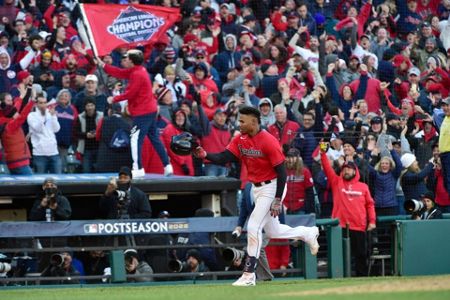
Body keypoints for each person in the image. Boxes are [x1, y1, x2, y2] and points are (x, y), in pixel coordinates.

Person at [194, 106, 319, 286]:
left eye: (243, 121)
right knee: (273, 231)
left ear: (254, 122)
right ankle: (307, 233)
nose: (240, 124)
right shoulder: (240, 139)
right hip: (257, 188)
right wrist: (205, 155)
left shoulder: (268, 140)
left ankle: (249, 274)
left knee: (253, 226)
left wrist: (277, 200)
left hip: (273, 185)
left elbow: (282, 172)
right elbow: (224, 157)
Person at [96, 49, 173, 178]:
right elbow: (119, 73)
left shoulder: (137, 74)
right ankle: (167, 166)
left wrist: (114, 99)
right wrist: (103, 65)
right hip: (150, 110)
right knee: (154, 138)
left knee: (135, 139)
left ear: (131, 61)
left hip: (143, 112)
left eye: (127, 59)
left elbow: (131, 93)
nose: (124, 61)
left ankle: (137, 168)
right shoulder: (138, 70)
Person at [320, 143, 376, 276]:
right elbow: (327, 167)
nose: (346, 171)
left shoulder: (363, 186)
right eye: (344, 169)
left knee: (361, 255)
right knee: (339, 254)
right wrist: (323, 153)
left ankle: (361, 279)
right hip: (340, 226)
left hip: (359, 226)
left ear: (355, 171)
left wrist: (372, 221)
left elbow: (370, 204)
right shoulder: (336, 181)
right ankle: (339, 277)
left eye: (349, 169)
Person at [27, 94, 62, 174]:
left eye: (45, 102)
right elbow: (38, 128)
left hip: (54, 152)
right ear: (36, 104)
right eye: (41, 103)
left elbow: (57, 129)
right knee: (40, 181)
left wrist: (53, 116)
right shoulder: (31, 115)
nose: (43, 105)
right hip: (39, 154)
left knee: (58, 180)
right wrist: (45, 116)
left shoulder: (50, 114)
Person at [439, 97, 450, 194]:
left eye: (447, 105)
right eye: (444, 106)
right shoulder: (445, 118)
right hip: (444, 155)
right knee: (446, 182)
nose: (445, 108)